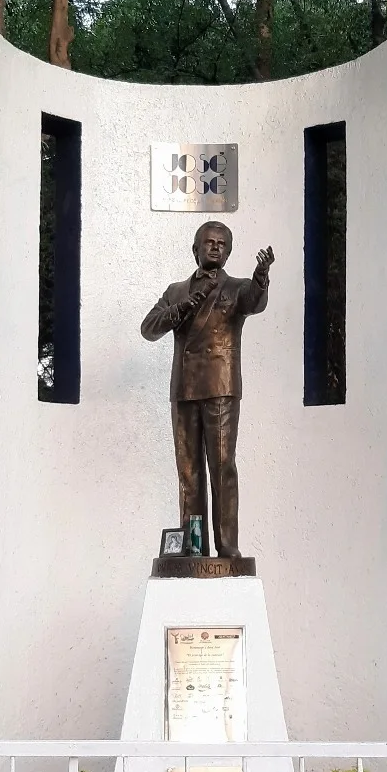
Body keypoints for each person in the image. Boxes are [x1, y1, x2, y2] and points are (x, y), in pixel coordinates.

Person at [141, 221, 274, 559]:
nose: (215, 247)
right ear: (195, 249)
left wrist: (261, 276)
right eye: (209, 242)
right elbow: (149, 328)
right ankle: (193, 544)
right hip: (184, 389)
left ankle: (227, 545)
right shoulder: (175, 291)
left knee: (222, 465)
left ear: (228, 252)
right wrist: (183, 307)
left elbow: (255, 301)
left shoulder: (238, 288)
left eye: (222, 243)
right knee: (188, 471)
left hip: (221, 388)